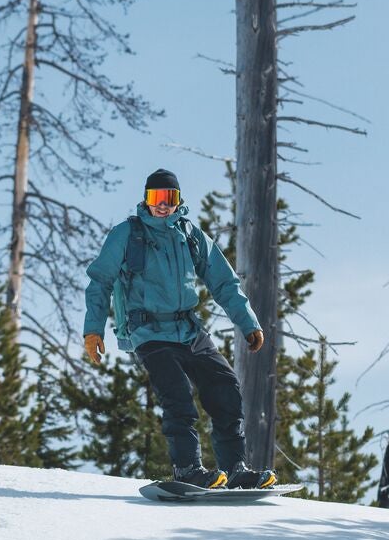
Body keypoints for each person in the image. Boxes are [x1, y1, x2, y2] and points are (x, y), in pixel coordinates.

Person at [83, 168, 277, 489]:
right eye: (156, 198)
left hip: (189, 330)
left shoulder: (189, 234)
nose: (162, 205)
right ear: (145, 200)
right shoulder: (127, 235)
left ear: (177, 200)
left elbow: (223, 281)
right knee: (178, 397)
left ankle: (235, 468)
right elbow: (100, 281)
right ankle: (188, 468)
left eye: (168, 198)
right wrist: (93, 330)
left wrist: (247, 322)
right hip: (149, 333)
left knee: (225, 386)